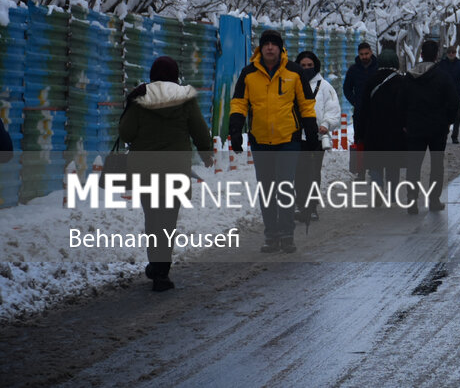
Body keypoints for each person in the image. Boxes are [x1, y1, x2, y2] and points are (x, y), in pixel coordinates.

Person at [117, 56, 214, 291]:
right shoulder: (185, 99)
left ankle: (155, 265)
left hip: (146, 170)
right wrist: (206, 153)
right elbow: (199, 129)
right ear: (175, 75)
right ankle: (162, 270)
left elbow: (126, 133)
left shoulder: (140, 97)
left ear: (152, 75)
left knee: (153, 218)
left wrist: (131, 104)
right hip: (176, 169)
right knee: (168, 219)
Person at [229, 29, 318, 254]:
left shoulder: (294, 72)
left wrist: (311, 132)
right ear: (261, 48)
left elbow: (306, 104)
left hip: (288, 139)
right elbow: (239, 103)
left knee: (285, 187)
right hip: (260, 140)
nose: (270, 47)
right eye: (266, 44)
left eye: (274, 44)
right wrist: (236, 129)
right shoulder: (248, 74)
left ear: (280, 48)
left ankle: (287, 234)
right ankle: (271, 235)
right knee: (267, 189)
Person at [402, 38, 460, 213]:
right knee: (437, 164)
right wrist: (448, 121)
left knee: (413, 165)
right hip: (437, 129)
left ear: (421, 55)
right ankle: (433, 200)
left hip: (414, 129)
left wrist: (405, 123)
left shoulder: (409, 77)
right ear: (436, 56)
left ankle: (412, 201)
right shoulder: (443, 77)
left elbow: (400, 102)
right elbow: (454, 101)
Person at [293, 50, 341, 222]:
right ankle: (300, 204)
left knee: (313, 173)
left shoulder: (325, 87)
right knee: (298, 173)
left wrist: (326, 124)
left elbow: (333, 110)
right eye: (303, 65)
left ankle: (312, 206)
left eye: (309, 65)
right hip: (297, 137)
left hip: (317, 137)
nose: (306, 68)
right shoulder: (293, 84)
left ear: (316, 66)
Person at [361, 45, 406, 199]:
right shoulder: (402, 82)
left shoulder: (371, 81)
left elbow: (363, 108)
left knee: (375, 163)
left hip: (374, 130)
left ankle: (378, 187)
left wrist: (360, 132)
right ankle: (393, 193)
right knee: (393, 163)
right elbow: (405, 107)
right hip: (395, 131)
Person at [440, 43, 460, 144]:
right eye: (449, 52)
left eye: (453, 52)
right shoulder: (441, 64)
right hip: (444, 96)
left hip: (457, 95)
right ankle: (444, 134)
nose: (451, 54)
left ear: (455, 53)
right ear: (447, 54)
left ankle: (455, 136)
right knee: (445, 117)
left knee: (457, 117)